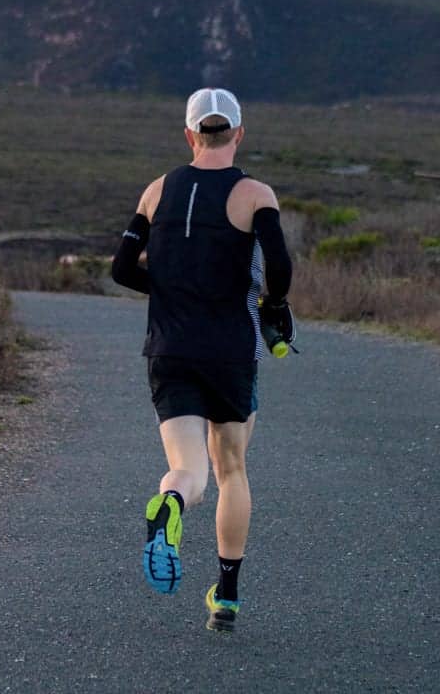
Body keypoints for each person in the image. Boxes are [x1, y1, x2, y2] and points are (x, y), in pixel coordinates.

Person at [111, 87, 294, 633]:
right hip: (230, 350)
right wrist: (273, 305)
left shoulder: (156, 191)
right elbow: (279, 269)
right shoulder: (255, 194)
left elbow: (122, 269)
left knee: (188, 470)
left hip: (169, 348)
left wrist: (169, 291)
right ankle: (227, 597)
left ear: (190, 134)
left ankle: (169, 505)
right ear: (238, 132)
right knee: (231, 467)